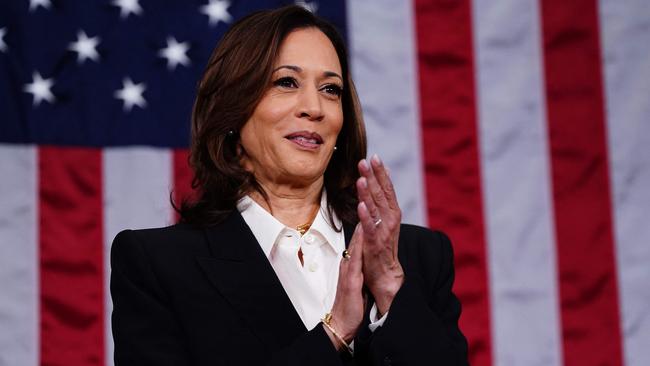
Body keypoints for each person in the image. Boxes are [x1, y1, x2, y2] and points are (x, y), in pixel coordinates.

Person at [110, 5, 468, 365]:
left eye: (331, 89)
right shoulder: (159, 265)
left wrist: (390, 291)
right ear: (233, 109)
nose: (314, 107)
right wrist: (335, 331)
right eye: (286, 82)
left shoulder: (417, 257)